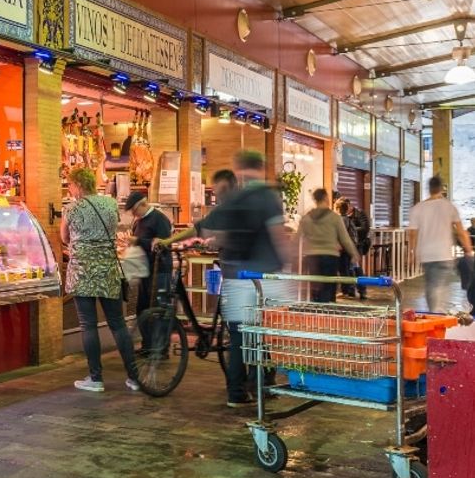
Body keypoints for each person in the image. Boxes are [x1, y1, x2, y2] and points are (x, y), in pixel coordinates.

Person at [166, 153, 289, 407]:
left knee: (237, 339)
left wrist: (170, 242)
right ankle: (261, 385)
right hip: (262, 278)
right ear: (262, 168)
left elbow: (205, 230)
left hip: (233, 277)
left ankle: (236, 393)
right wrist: (291, 267)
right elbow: (279, 238)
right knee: (263, 335)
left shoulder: (232, 202)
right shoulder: (268, 197)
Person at [61, 167, 140, 393]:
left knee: (88, 325)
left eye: (70, 186)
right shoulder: (110, 204)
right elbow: (115, 228)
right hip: (107, 269)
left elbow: (64, 237)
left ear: (77, 186)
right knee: (118, 323)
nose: (70, 190)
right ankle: (134, 377)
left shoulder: (72, 208)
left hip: (83, 270)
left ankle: (95, 378)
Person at [407, 176, 474, 312]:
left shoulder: (418, 208)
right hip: (443, 254)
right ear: (441, 188)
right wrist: (468, 250)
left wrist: (411, 253)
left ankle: (436, 311)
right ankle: (437, 312)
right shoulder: (449, 206)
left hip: (425, 254)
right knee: (437, 285)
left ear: (429, 189)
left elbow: (412, 233)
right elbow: (461, 232)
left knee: (432, 284)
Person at [300, 189, 360, 303]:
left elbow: (297, 237)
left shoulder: (306, 218)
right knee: (328, 289)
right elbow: (345, 239)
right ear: (325, 198)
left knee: (315, 287)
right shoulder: (334, 217)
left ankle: (316, 312)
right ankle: (327, 313)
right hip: (330, 257)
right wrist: (354, 253)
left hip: (312, 257)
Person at [125, 191, 173, 321]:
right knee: (143, 309)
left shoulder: (159, 219)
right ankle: (147, 340)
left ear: (143, 204)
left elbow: (164, 244)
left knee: (158, 310)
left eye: (134, 211)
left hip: (160, 271)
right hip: (145, 271)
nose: (134, 214)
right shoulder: (138, 222)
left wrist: (138, 241)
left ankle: (160, 340)